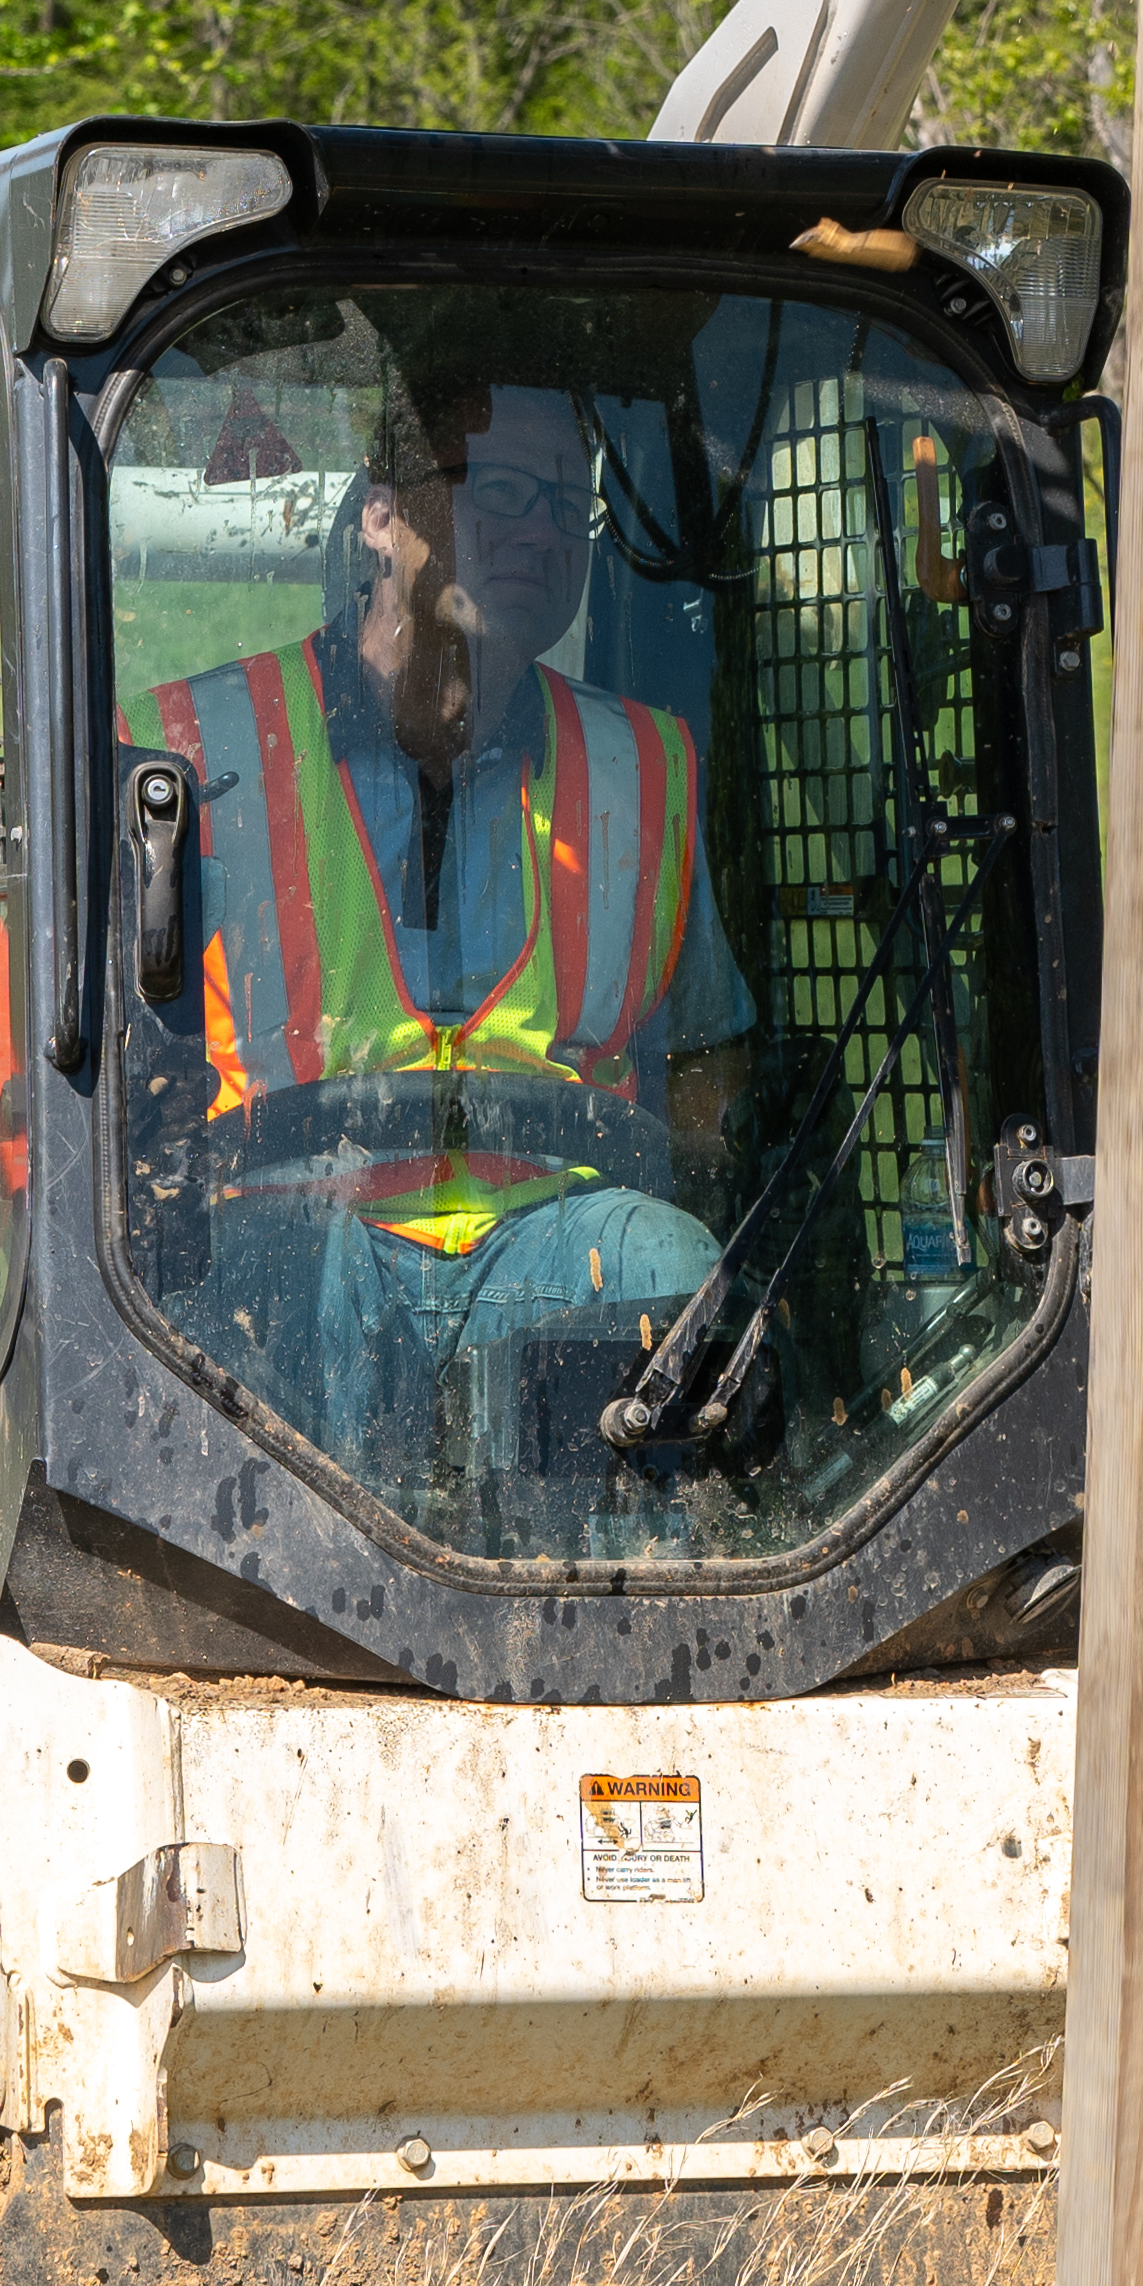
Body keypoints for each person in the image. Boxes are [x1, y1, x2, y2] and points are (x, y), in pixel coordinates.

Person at [130, 365, 749, 1498]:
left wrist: (683, 1164)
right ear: (382, 515)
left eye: (569, 507)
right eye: (503, 492)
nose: (542, 533)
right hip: (289, 1226)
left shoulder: (640, 769)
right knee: (276, 1284)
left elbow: (709, 1079)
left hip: (556, 1235)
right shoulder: (188, 748)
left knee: (673, 1265)